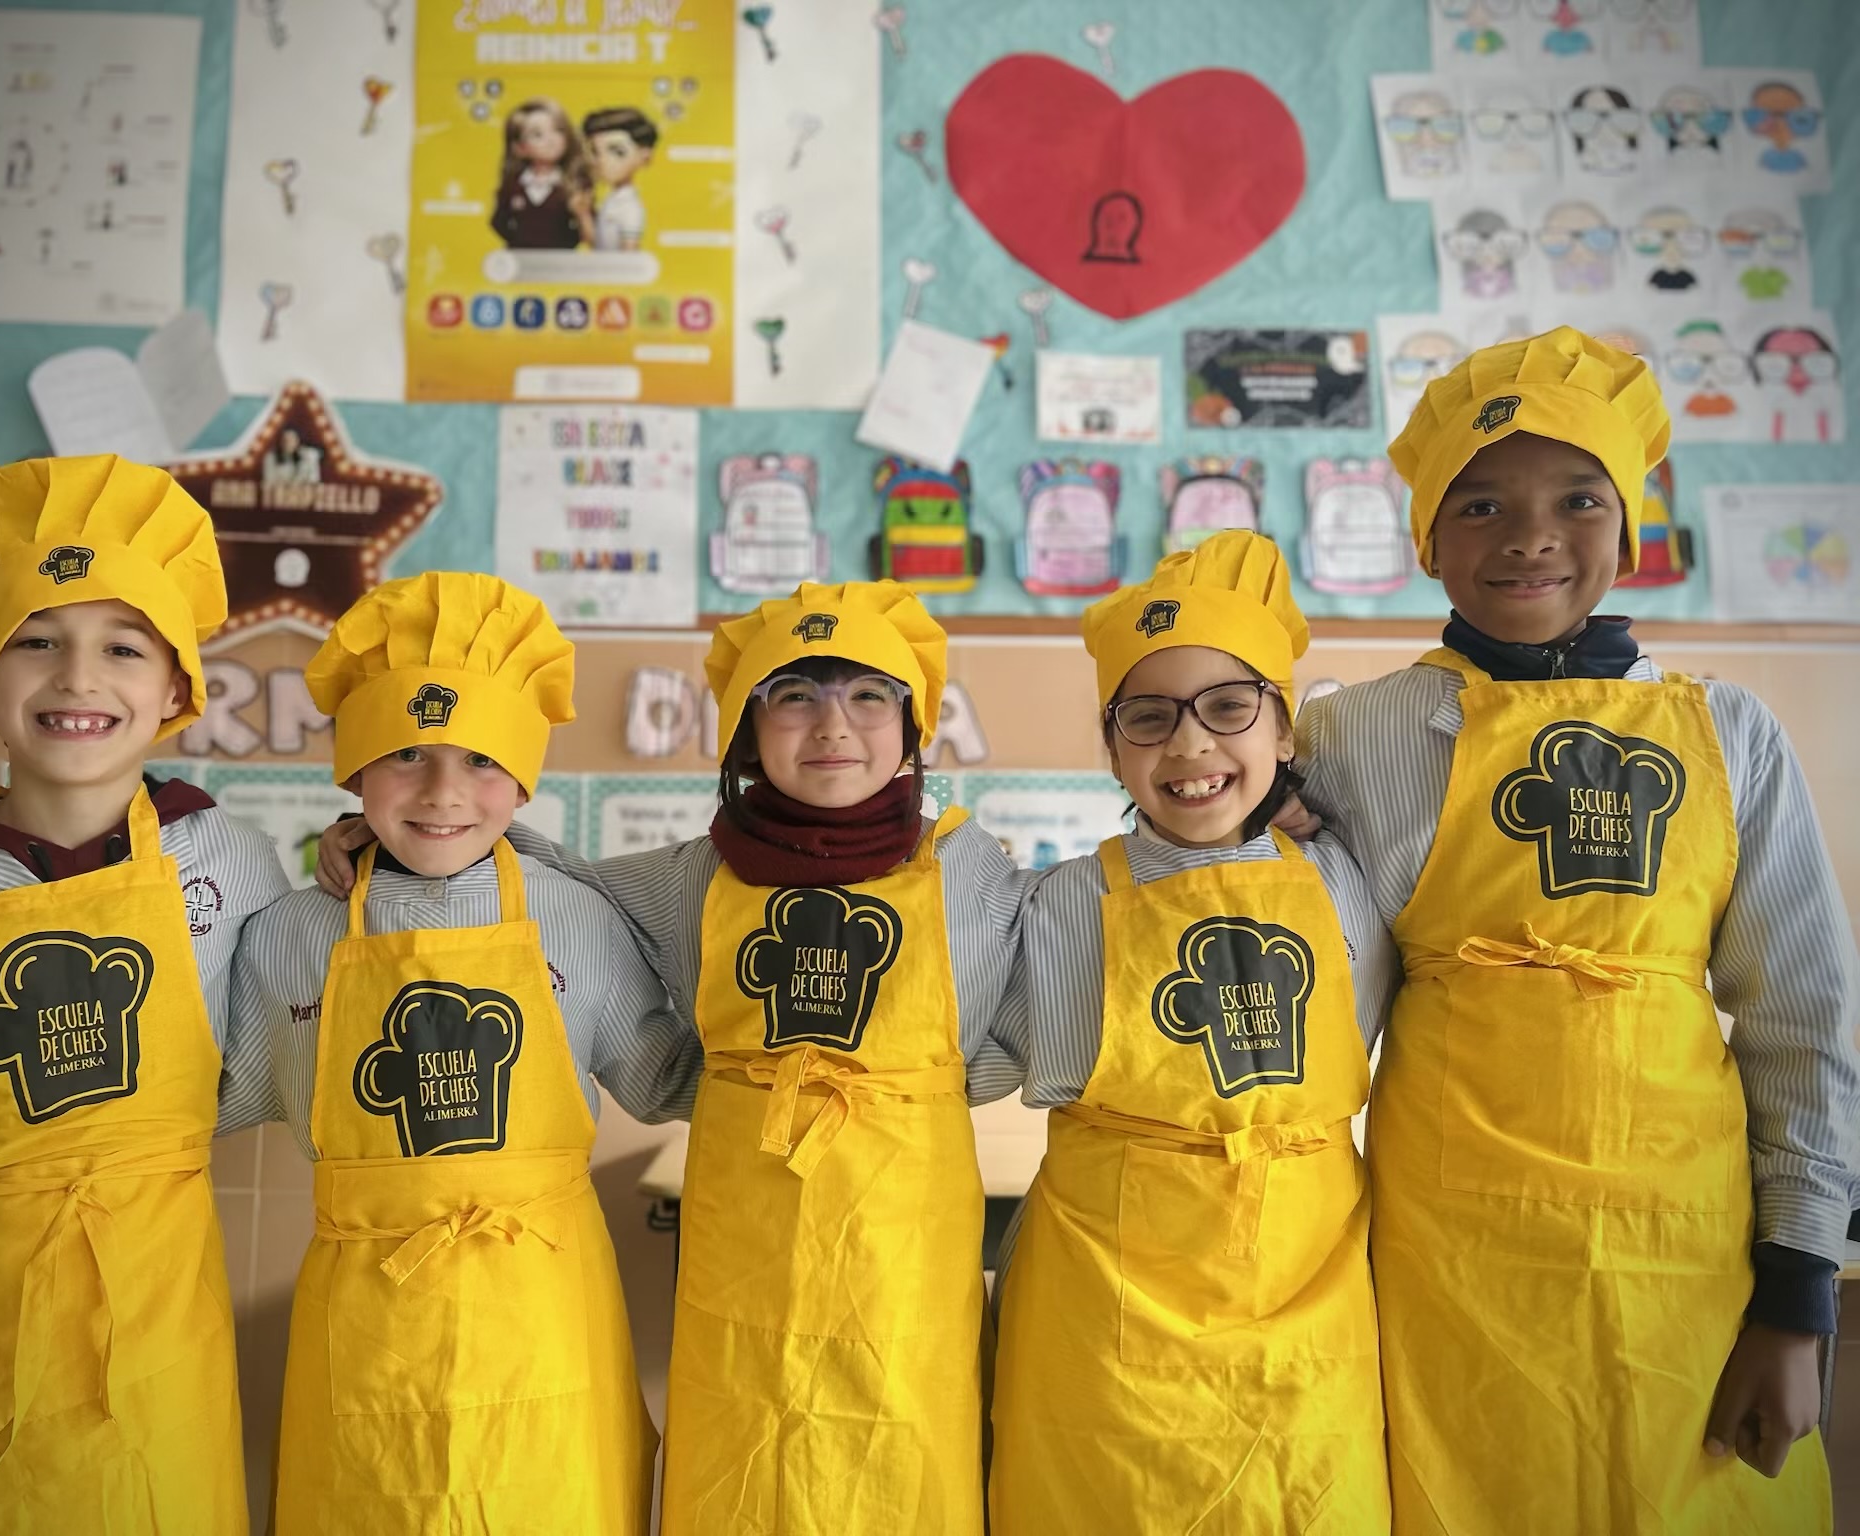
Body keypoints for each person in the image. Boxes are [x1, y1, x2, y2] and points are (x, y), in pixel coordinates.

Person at [315, 580, 1026, 1534]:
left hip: (905, 1257)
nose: (832, 727)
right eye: (793, 695)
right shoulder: (693, 877)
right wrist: (389, 833)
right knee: (739, 1470)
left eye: (867, 695)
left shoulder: (973, 868)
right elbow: (559, 879)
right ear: (743, 729)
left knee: (901, 1474)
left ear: (911, 725)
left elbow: (1038, 999)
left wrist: (1295, 808)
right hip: (744, 1253)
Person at [1297, 327, 1858, 1533]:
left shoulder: (1729, 735)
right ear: (1427, 538)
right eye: (1480, 502)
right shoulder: (1347, 739)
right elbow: (1310, 995)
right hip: (1451, 1255)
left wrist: (1797, 1294)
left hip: (1685, 1254)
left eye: (1576, 499)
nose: (1528, 534)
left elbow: (1801, 1021)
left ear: (1630, 524)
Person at [0, 455, 288, 1531]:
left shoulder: (231, 864)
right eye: (35, 640)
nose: (78, 678)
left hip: (145, 1344)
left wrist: (373, 857)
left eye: (123, 646)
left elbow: (287, 1038)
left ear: (175, 690)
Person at [240, 572, 692, 1533]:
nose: (444, 792)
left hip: (545, 1311)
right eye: (404, 754)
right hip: (369, 1326)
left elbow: (660, 1082)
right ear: (353, 776)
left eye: (482, 760)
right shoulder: (286, 933)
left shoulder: (575, 915)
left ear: (525, 781)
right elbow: (223, 1091)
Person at [988, 532, 1393, 1533]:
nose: (1190, 745)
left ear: (1285, 730)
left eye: (1226, 707)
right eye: (1148, 716)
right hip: (1101, 1299)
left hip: (1308, 1283)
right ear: (1112, 742)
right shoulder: (1057, 902)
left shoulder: (1352, 880)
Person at [491, 98, 594, 250]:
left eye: (558, 130)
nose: (551, 140)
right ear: (519, 147)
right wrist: (520, 241)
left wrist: (568, 239)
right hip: (521, 261)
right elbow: (499, 222)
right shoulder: (513, 186)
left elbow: (588, 231)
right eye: (538, 135)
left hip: (561, 263)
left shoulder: (573, 185)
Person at [583, 106, 657, 252]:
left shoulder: (630, 207)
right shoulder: (611, 200)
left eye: (617, 152)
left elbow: (629, 255)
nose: (602, 161)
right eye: (595, 152)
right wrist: (583, 213)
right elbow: (597, 245)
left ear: (645, 156)